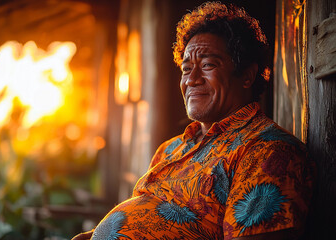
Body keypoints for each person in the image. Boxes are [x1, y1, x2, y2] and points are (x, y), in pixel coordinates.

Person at [72, 1, 314, 239]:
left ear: (247, 75)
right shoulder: (170, 149)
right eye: (186, 69)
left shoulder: (269, 152)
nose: (191, 79)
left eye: (208, 65)